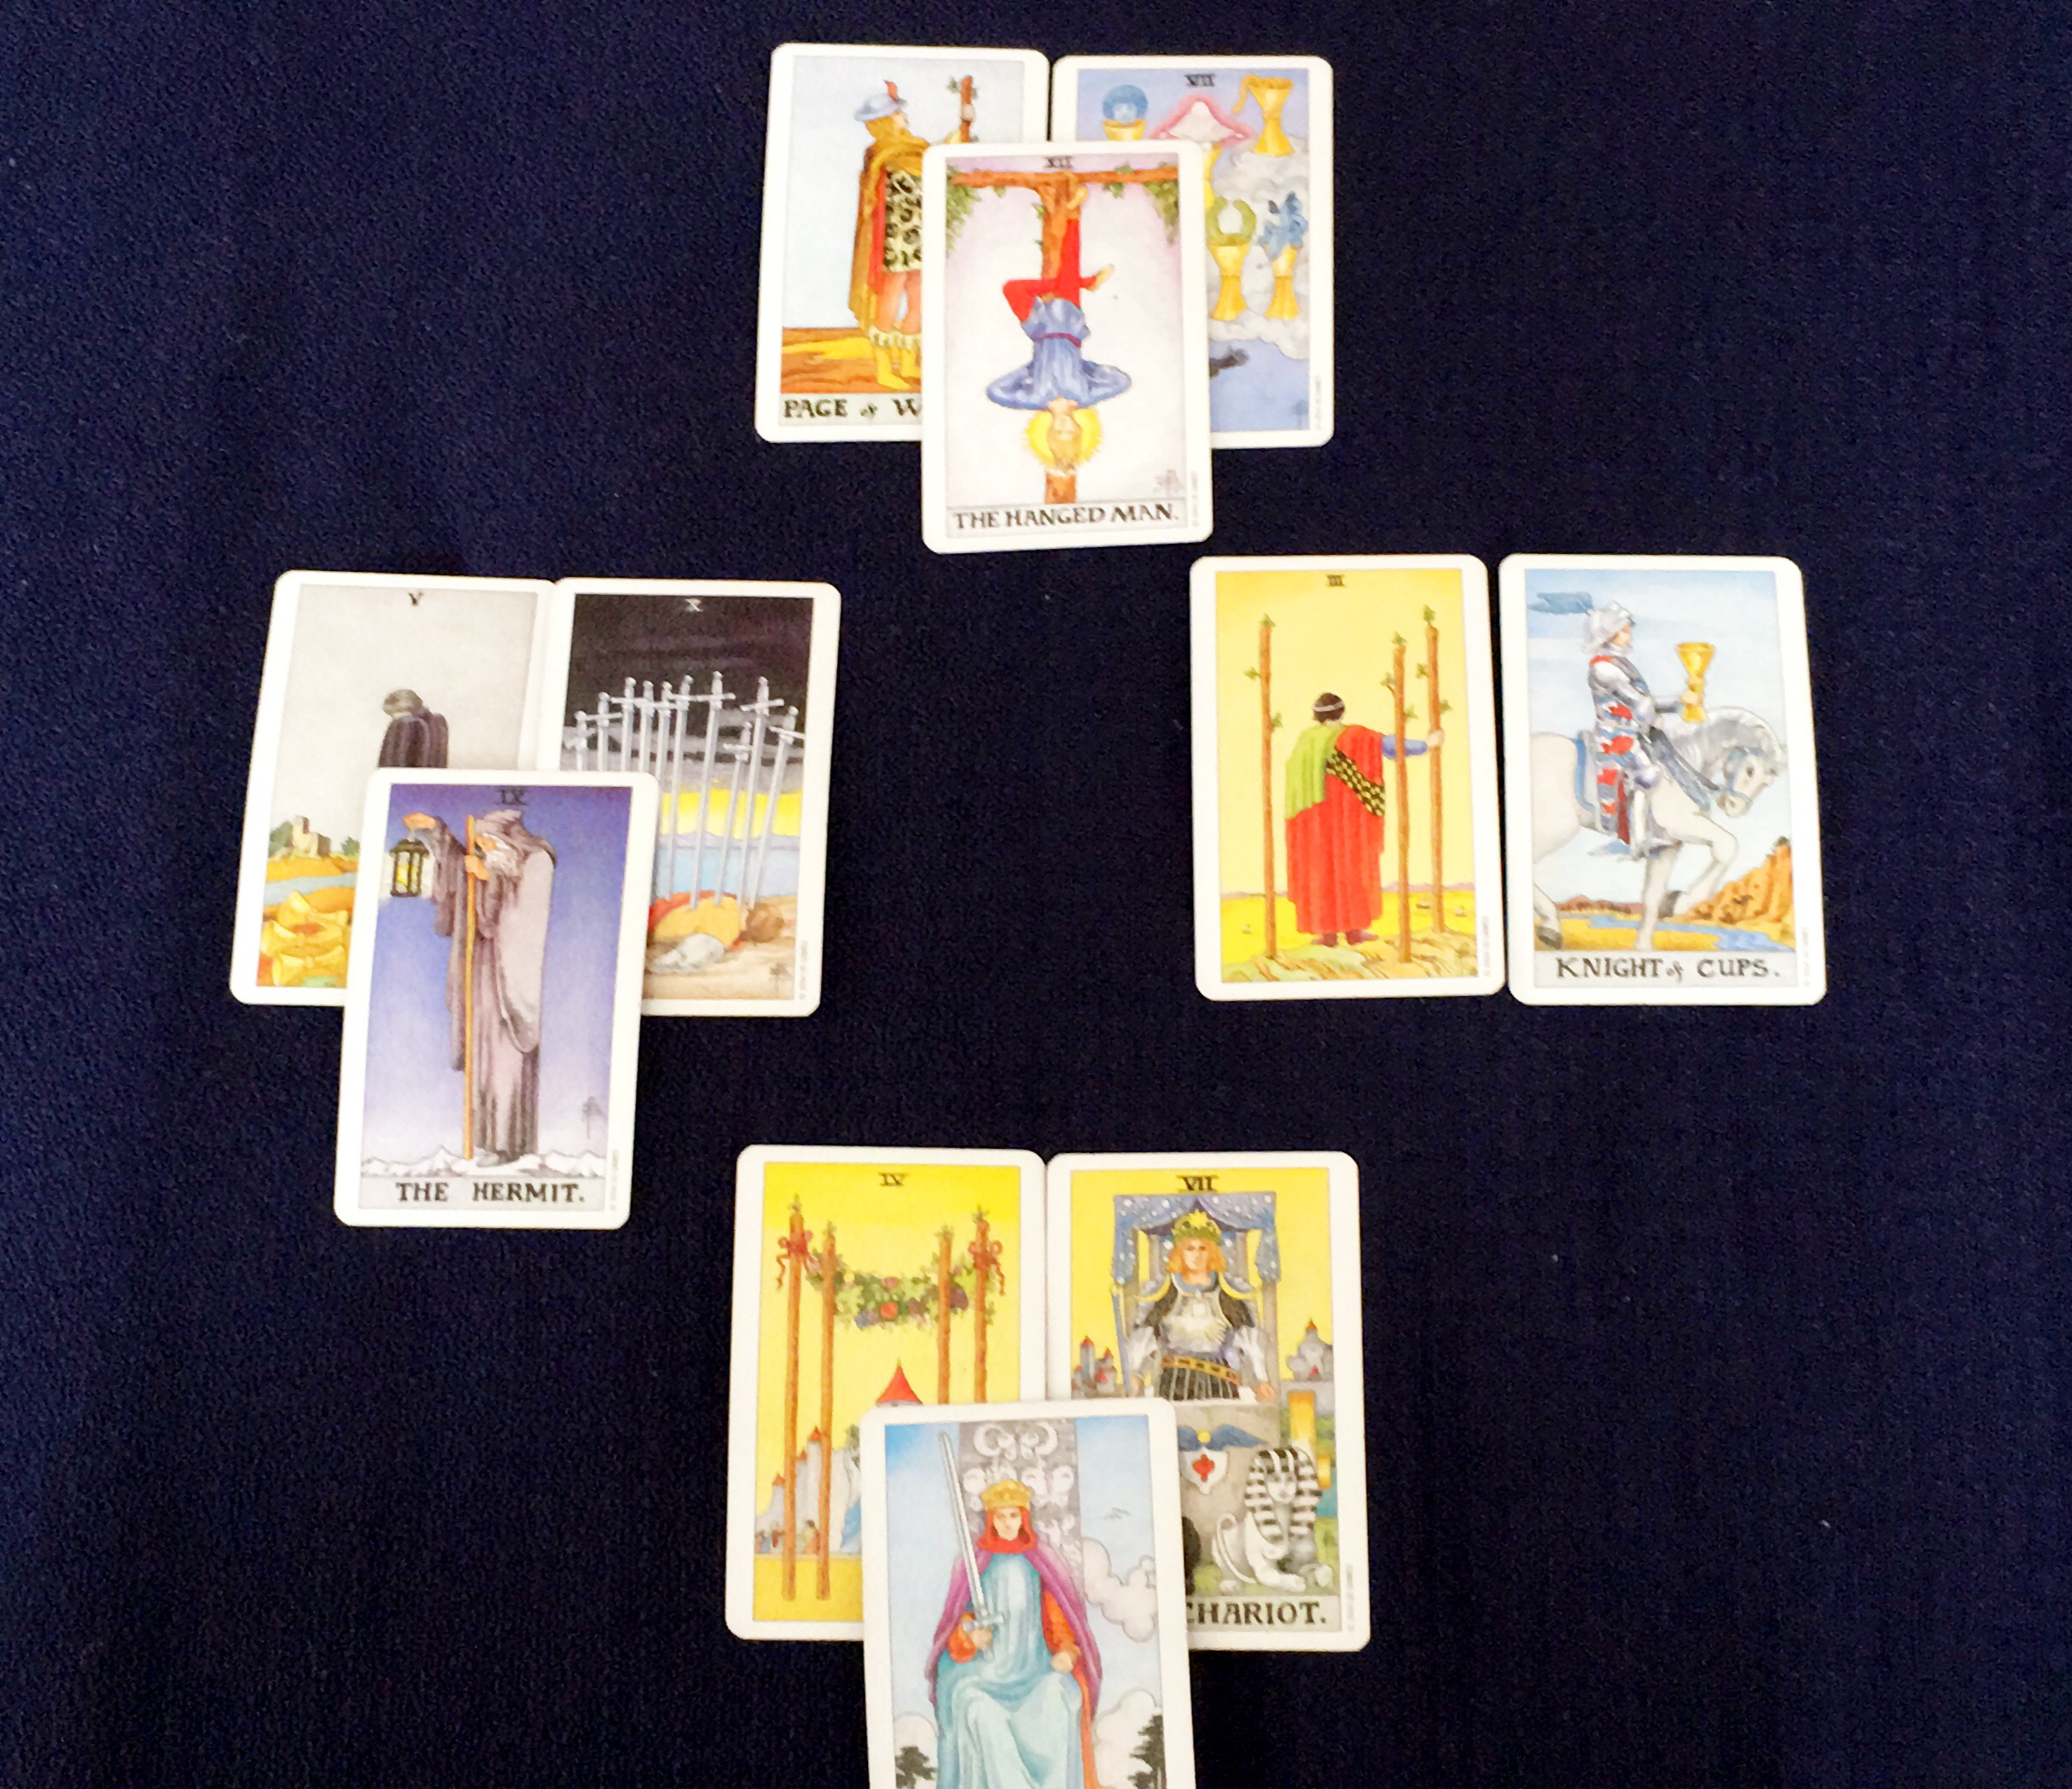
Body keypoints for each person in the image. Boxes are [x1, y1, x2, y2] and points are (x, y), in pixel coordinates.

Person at [400, 807, 554, 1166]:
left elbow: (523, 911)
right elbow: (462, 869)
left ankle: (507, 1144)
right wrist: (436, 829)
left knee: (505, 1059)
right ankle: (487, 1141)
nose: (483, 850)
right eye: (481, 844)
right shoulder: (498, 860)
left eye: (488, 843)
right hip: (483, 970)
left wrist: (490, 876)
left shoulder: (538, 861)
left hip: (508, 979)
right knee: (483, 1057)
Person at [926, 1479, 1102, 1789]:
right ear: (991, 1520)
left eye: (1014, 1515)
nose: (1008, 1523)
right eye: (1001, 1516)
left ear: (1024, 1518)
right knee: (974, 1705)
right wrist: (970, 1638)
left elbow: (1059, 1621)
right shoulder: (975, 1565)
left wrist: (1067, 1650)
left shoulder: (1040, 1564)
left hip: (1034, 1670)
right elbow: (957, 1624)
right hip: (984, 1674)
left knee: (1061, 1696)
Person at [986, 183, 1127, 491]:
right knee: (1068, 265)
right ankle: (1075, 215)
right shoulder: (1085, 396)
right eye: (1070, 431)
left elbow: (995, 391)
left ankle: (1085, 281)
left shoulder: (1035, 399)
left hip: (1039, 330)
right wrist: (1084, 367)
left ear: (1049, 432)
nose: (1064, 427)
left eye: (1058, 432)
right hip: (1068, 326)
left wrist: (1031, 369)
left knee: (1012, 289)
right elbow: (1121, 380)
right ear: (1078, 428)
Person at [1283, 692, 1440, 947]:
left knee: (1322, 871)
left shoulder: (1306, 741)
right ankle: (1353, 931)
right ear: (1341, 711)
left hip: (1315, 825)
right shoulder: (1355, 736)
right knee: (1353, 869)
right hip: (1351, 822)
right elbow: (1390, 746)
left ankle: (1328, 934)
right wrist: (1426, 744)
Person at [1584, 605, 1704, 855]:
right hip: (1615, 736)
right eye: (1625, 631)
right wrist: (1679, 701)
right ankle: (1638, 840)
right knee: (1648, 775)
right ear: (1610, 634)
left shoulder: (1619, 663)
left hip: (1632, 732)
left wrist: (1679, 704)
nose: (1629, 635)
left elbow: (1643, 702)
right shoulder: (1603, 668)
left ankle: (1649, 830)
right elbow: (1636, 701)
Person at [1126, 1210, 1272, 1402]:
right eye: (1190, 1248)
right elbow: (1144, 1337)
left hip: (1219, 1381)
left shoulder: (1229, 1293)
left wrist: (1260, 1380)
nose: (1196, 1255)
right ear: (1180, 1252)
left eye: (1203, 1248)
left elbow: (1249, 1339)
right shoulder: (1164, 1293)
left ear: (1212, 1253)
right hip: (1175, 1381)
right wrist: (1134, 1374)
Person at [848, 82, 929, 389]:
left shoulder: (919, 148)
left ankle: (908, 362)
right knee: (891, 295)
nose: (903, 118)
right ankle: (884, 368)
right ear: (884, 121)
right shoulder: (881, 152)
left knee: (919, 295)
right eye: (897, 114)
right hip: (893, 238)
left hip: (920, 233)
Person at [378, 690, 448, 767]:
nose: (394, 718)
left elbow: (396, 761)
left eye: (393, 713)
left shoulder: (405, 724)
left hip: (403, 773)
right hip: (435, 773)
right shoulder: (437, 721)